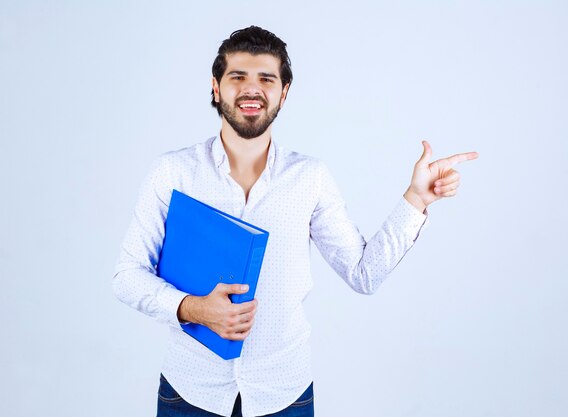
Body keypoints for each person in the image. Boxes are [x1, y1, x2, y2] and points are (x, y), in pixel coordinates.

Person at [112, 25, 478, 417]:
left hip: (283, 395)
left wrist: (416, 199)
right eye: (238, 77)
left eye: (266, 79)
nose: (252, 89)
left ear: (283, 93)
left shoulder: (310, 177)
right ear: (216, 88)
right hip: (190, 391)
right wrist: (191, 308)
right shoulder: (172, 173)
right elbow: (127, 275)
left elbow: (363, 274)